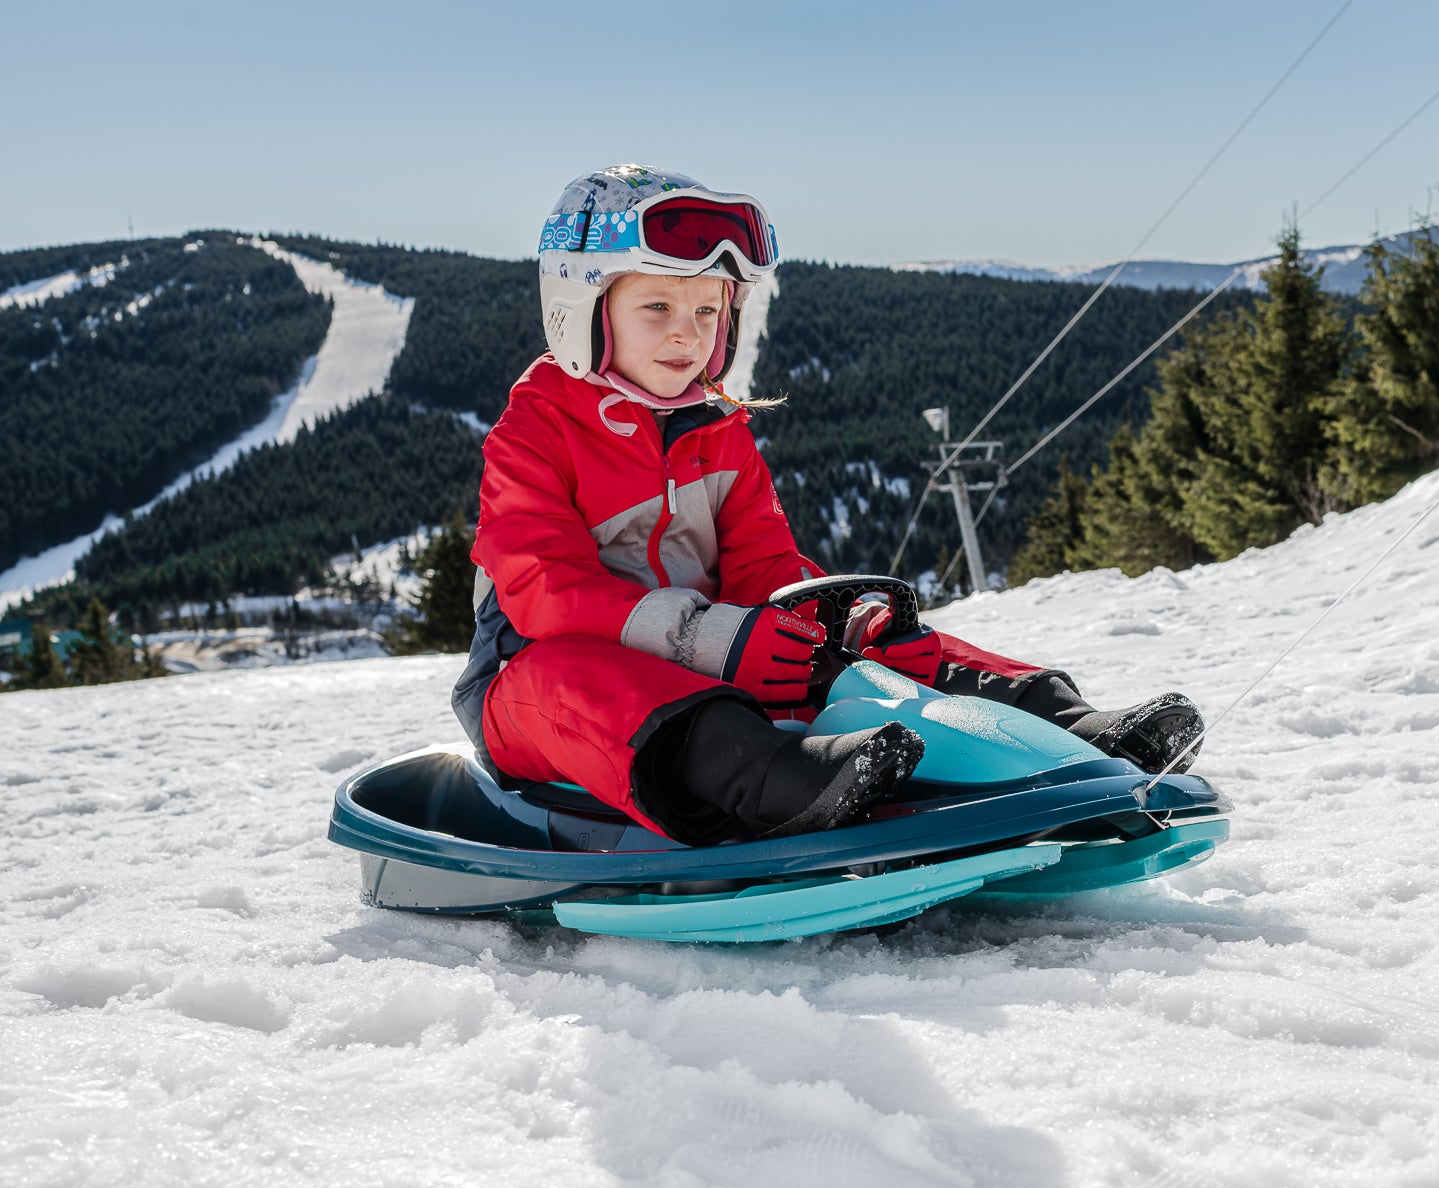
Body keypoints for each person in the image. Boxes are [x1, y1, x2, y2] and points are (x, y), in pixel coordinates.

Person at [452, 164, 1202, 845]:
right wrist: (707, 639)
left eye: (708, 313)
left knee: (878, 644)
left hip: (706, 663)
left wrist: (851, 628)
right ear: (580, 308)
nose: (687, 335)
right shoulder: (533, 436)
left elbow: (767, 570)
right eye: (656, 306)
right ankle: (782, 783)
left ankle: (1071, 728)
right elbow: (546, 594)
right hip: (531, 693)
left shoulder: (721, 436)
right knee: (580, 678)